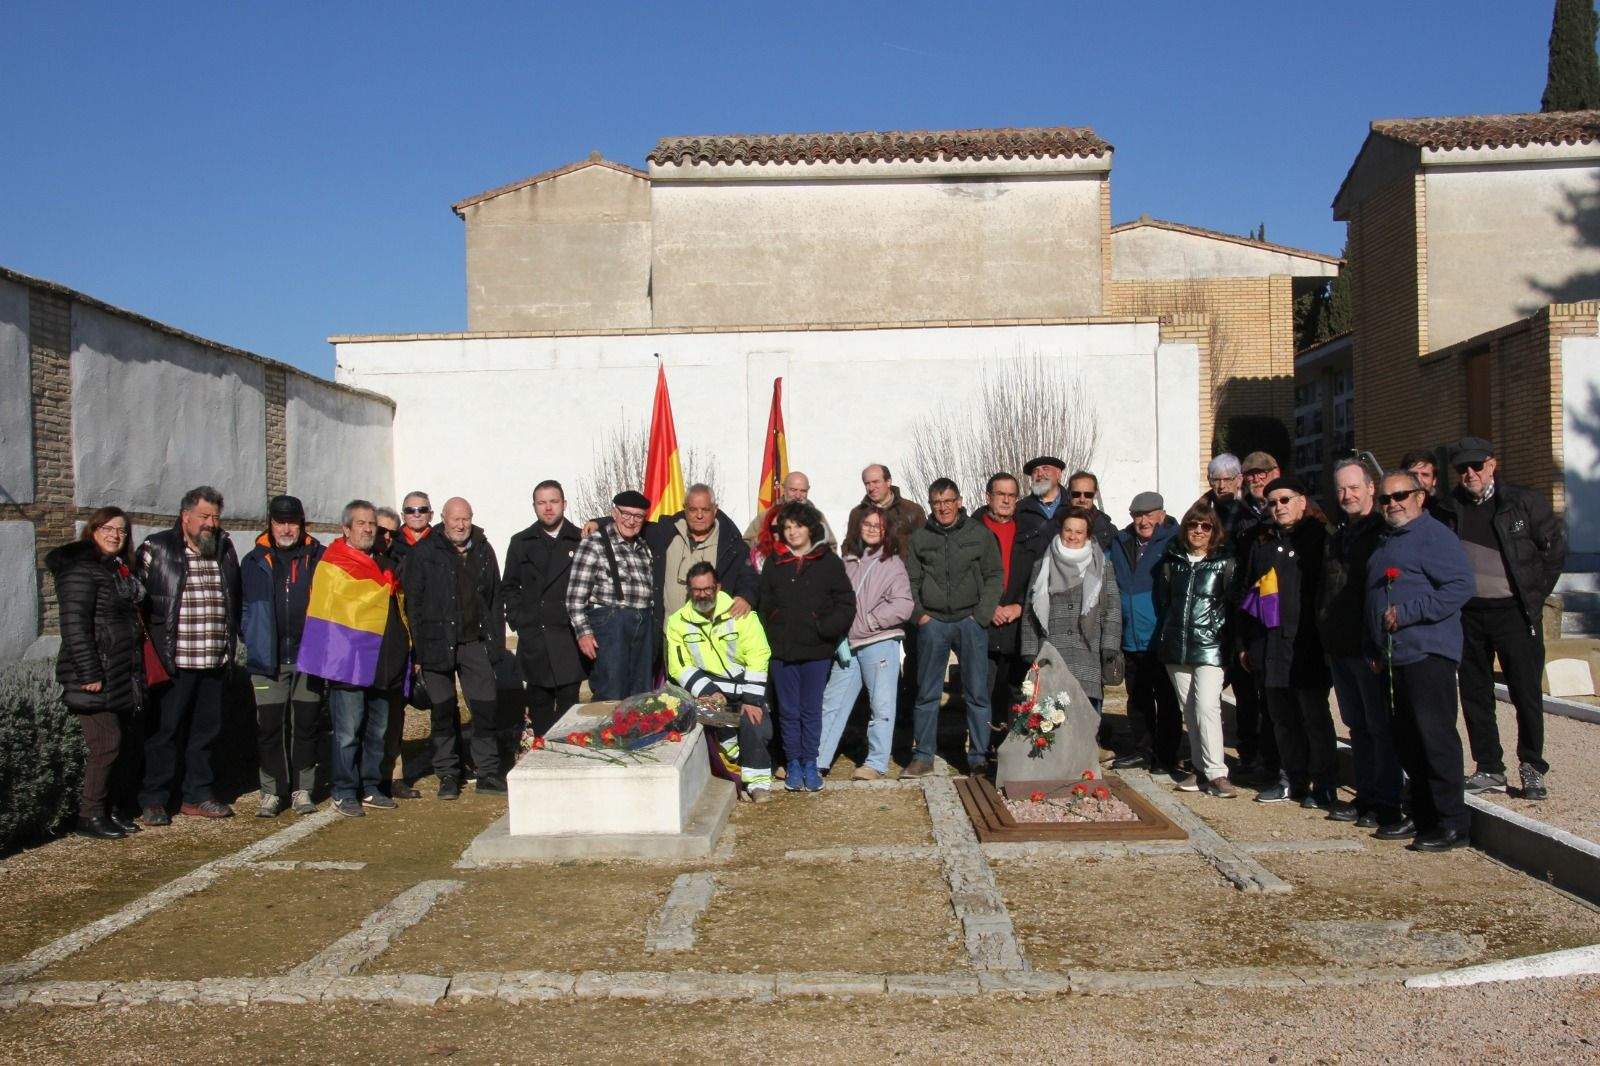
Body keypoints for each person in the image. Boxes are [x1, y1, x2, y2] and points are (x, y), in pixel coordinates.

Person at [1434, 437, 1565, 800]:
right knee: (1475, 693)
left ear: (1492, 464)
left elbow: (1553, 550)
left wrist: (1534, 596)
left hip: (1514, 613)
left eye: (1477, 466)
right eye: (1463, 468)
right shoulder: (1448, 508)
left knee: (1526, 693)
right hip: (1469, 614)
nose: (1470, 474)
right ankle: (1489, 766)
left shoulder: (1523, 502)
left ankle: (1532, 766)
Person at [1365, 471, 1476, 850]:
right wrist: (1376, 647)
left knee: (1435, 737)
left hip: (1428, 652)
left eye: (1401, 495)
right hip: (1395, 656)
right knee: (1406, 739)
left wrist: (1409, 612)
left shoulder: (1434, 536)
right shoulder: (1389, 540)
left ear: (1420, 496)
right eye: (1385, 498)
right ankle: (1422, 813)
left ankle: (1452, 821)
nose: (1393, 503)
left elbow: (1461, 585)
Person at [298, 500, 411, 817]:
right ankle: (344, 790)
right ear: (345, 528)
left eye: (371, 523)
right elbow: (325, 613)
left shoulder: (385, 565)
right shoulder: (332, 564)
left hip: (383, 661)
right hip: (348, 663)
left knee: (378, 730)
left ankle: (371, 786)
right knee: (348, 732)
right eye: (360, 523)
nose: (367, 529)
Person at [136, 486, 241, 824]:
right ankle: (154, 800)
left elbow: (233, 597)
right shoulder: (158, 548)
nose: (211, 523)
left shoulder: (224, 549)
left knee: (205, 734)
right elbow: (139, 601)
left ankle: (198, 795)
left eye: (215, 517)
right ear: (186, 516)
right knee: (164, 733)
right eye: (205, 516)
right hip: (174, 662)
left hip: (213, 660)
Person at [1236, 476, 1339, 808]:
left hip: (1306, 644)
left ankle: (1323, 783)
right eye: (1272, 502)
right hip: (1270, 644)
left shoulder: (1320, 540)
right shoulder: (1262, 543)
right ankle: (1290, 778)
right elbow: (1247, 593)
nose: (1278, 507)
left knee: (1314, 718)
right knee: (1280, 718)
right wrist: (1245, 643)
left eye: (1285, 500)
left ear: (1302, 501)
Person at [46, 507, 146, 839]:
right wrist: (89, 672)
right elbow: (75, 627)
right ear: (92, 530)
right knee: (107, 744)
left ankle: (108, 810)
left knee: (120, 745)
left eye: (121, 530)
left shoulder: (115, 570)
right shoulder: (80, 571)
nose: (115, 535)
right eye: (107, 528)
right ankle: (89, 816)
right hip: (93, 674)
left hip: (118, 672)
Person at [403, 496, 507, 799]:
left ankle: (487, 771)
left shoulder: (484, 549)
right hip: (436, 643)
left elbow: (494, 598)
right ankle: (448, 774)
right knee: (443, 711)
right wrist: (419, 651)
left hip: (475, 642)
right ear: (443, 520)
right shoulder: (424, 552)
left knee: (485, 707)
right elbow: (414, 603)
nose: (461, 525)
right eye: (455, 519)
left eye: (466, 518)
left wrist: (495, 645)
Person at [903, 479, 1004, 777]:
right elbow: (911, 580)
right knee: (927, 693)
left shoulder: (979, 534)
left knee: (977, 693)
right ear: (931, 504)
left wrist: (982, 615)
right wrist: (920, 616)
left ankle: (978, 757)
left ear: (959, 501)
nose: (943, 507)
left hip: (970, 621)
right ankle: (922, 755)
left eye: (948, 501)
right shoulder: (920, 538)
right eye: (937, 502)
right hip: (933, 623)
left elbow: (994, 574)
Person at [1317, 458, 1395, 826]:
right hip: (1340, 644)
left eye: (1353, 488)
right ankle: (1366, 795)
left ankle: (1386, 798)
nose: (1347, 495)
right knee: (1357, 727)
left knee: (1379, 727)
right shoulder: (1339, 535)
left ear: (1370, 488)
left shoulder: (1383, 533)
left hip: (1368, 646)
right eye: (1341, 489)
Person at [758, 501, 855, 791]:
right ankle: (793, 764)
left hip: (816, 651)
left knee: (811, 709)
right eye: (786, 527)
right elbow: (764, 605)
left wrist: (824, 628)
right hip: (783, 653)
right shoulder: (775, 563)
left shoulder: (828, 562)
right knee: (787, 710)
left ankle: (811, 762)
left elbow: (846, 603)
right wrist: (775, 631)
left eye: (797, 526)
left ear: (811, 528)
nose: (792, 532)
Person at [240, 494, 325, 818]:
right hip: (267, 662)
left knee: (305, 724)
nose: (286, 528)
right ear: (271, 524)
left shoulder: (319, 557)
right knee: (270, 727)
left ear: (301, 524)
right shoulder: (253, 561)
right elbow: (242, 606)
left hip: (309, 658)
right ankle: (272, 791)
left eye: (292, 521)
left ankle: (303, 789)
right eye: (280, 521)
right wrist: (250, 634)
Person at [816, 507, 914, 780]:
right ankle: (818, 758)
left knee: (881, 705)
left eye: (878, 526)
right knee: (832, 702)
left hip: (879, 643)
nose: (871, 529)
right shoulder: (848, 561)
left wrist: (870, 621)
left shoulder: (892, 564)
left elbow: (903, 605)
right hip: (848, 645)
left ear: (887, 531)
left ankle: (876, 762)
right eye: (867, 524)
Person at [665, 562, 776, 801]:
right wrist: (707, 690)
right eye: (697, 589)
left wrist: (752, 699)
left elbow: (759, 653)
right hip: (711, 689)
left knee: (754, 720)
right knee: (701, 712)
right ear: (689, 591)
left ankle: (758, 783)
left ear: (718, 587)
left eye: (708, 588)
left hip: (746, 685)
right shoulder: (677, 622)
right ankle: (732, 753)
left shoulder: (740, 612)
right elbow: (678, 665)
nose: (703, 594)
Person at [1154, 501, 1238, 798]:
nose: (1199, 531)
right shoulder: (1171, 562)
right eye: (1193, 525)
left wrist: (1222, 635)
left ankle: (1217, 772)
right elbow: (1164, 602)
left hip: (1211, 645)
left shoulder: (1225, 562)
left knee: (1207, 706)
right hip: (1177, 645)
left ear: (1214, 531)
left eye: (1206, 526)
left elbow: (1231, 604)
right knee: (1188, 709)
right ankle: (1200, 769)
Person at [502, 481, 587, 736]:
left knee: (569, 714)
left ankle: (566, 762)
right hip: (535, 640)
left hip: (568, 641)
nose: (548, 508)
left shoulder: (580, 539)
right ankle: (539, 763)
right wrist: (520, 620)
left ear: (564, 504)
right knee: (539, 712)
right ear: (534, 507)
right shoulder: (521, 542)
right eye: (542, 503)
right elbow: (509, 586)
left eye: (553, 501)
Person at [1020, 507, 1122, 711]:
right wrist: (1029, 650)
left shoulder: (1103, 566)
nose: (1072, 536)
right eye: (1068, 530)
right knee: (1049, 718)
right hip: (1051, 649)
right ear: (1061, 531)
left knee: (1087, 719)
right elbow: (1030, 611)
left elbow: (1113, 608)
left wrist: (1110, 645)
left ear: (1087, 535)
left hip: (1088, 651)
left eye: (1079, 532)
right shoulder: (1042, 566)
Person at [1108, 492, 1182, 773]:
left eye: (1149, 514)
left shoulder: (1174, 542)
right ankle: (1142, 749)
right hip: (1130, 636)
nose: (1144, 520)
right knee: (1137, 698)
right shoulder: (1121, 542)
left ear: (1161, 514)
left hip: (1159, 635)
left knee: (1166, 699)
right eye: (1138, 515)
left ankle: (1166, 755)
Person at [567, 490, 657, 700]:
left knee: (641, 694)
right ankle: (606, 734)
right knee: (611, 692)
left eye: (638, 516)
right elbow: (575, 597)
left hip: (643, 626)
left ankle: (637, 733)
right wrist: (583, 633)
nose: (631, 521)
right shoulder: (594, 543)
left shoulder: (644, 547)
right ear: (614, 513)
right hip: (610, 627)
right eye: (625, 513)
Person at [975, 473, 1039, 755]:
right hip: (983, 622)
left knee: (1017, 688)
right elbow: (965, 580)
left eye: (1011, 495)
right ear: (988, 496)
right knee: (983, 688)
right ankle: (982, 747)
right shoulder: (972, 532)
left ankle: (1013, 749)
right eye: (1000, 494)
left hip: (1018, 622)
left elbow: (1038, 580)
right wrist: (987, 608)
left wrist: (1020, 607)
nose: (1005, 500)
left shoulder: (1029, 534)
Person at [645, 484, 760, 625]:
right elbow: (632, 524)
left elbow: (750, 576)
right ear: (684, 508)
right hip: (668, 634)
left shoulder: (732, 545)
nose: (699, 516)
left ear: (715, 509)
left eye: (705, 510)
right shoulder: (665, 533)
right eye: (693, 510)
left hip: (710, 635)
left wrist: (746, 596)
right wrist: (610, 521)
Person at [744, 470, 838, 553]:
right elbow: (746, 543)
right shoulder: (768, 516)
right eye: (793, 490)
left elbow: (831, 545)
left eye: (803, 491)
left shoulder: (817, 517)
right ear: (784, 489)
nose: (798, 495)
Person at [848, 463, 927, 540]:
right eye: (867, 484)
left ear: (888, 481)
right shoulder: (857, 514)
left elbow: (925, 545)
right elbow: (849, 546)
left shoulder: (912, 511)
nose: (871, 488)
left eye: (876, 482)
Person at [1015, 456, 1067, 545]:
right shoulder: (1020, 510)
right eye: (1035, 471)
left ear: (1058, 473)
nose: (1039, 474)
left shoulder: (1074, 505)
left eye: (1045, 468)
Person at [390, 490, 433, 564]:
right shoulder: (392, 541)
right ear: (403, 516)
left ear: (431, 515)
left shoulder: (442, 542)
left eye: (423, 510)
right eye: (410, 510)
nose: (417, 515)